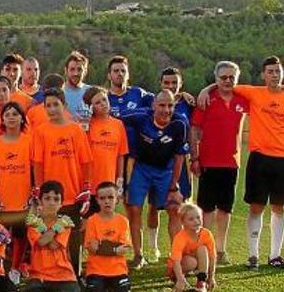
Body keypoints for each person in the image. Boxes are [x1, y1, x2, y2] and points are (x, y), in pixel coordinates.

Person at [198, 56, 284, 270]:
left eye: (278, 71)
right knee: (256, 206)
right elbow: (226, 84)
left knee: (279, 207)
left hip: (282, 159)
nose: (274, 75)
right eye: (270, 71)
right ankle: (253, 255)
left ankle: (274, 255)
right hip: (259, 158)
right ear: (264, 75)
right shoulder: (253, 93)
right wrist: (205, 90)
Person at [120, 90, 189, 268]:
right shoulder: (141, 117)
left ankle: (176, 256)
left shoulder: (179, 123)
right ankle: (138, 254)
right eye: (162, 105)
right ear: (153, 106)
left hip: (165, 170)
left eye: (170, 105)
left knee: (174, 208)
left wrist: (174, 185)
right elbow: (115, 117)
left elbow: (180, 156)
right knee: (134, 209)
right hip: (141, 168)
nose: (166, 110)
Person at [190, 61, 248, 265]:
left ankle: (221, 249)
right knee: (206, 208)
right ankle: (204, 247)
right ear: (215, 78)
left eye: (232, 77)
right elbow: (195, 130)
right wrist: (195, 158)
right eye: (223, 77)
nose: (228, 81)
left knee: (226, 208)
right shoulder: (206, 99)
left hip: (232, 162)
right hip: (208, 161)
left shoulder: (243, 98)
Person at [32, 88, 93, 274]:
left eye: (55, 104)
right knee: (51, 237)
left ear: (64, 106)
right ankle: (51, 273)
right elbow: (38, 163)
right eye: (48, 105)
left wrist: (86, 188)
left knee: (73, 238)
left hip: (72, 194)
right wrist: (39, 190)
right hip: (51, 197)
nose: (52, 109)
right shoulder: (40, 131)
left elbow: (86, 161)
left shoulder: (75, 130)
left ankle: (75, 273)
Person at [0, 101, 32, 282]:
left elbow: (33, 169)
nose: (11, 117)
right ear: (2, 120)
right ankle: (0, 268)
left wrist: (33, 195)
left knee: (21, 236)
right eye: (7, 115)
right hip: (3, 199)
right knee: (1, 236)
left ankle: (15, 270)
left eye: (15, 114)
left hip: (23, 198)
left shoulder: (29, 140)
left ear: (22, 118)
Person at [22, 180, 82, 292]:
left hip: (63, 273)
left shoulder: (66, 223)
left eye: (56, 199)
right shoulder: (34, 223)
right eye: (47, 198)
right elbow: (43, 242)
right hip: (39, 274)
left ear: (61, 204)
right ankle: (44, 290)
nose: (51, 203)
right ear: (40, 201)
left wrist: (48, 228)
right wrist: (56, 227)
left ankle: (58, 288)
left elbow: (54, 245)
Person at [83, 182, 132, 292]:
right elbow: (92, 248)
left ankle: (112, 284)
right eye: (102, 198)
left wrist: (102, 245)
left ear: (117, 199)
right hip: (96, 269)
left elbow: (123, 249)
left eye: (110, 197)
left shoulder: (123, 221)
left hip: (118, 269)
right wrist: (114, 249)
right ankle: (102, 284)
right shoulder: (92, 221)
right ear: (97, 200)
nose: (106, 201)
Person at [83, 86, 128, 195]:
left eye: (104, 99)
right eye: (97, 103)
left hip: (109, 182)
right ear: (90, 107)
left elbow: (121, 155)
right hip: (89, 182)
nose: (103, 104)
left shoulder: (118, 124)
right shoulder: (86, 125)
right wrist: (85, 127)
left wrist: (120, 178)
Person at [168, 203, 217, 292]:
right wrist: (180, 279)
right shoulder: (180, 237)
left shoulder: (207, 234)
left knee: (203, 249)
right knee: (192, 262)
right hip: (179, 265)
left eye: (198, 218)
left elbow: (212, 257)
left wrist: (211, 277)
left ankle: (201, 281)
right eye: (191, 219)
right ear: (183, 222)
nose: (196, 221)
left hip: (195, 260)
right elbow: (176, 261)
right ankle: (178, 277)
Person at [62, 51, 92, 127]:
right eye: (72, 69)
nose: (76, 73)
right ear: (66, 70)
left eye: (79, 69)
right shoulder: (59, 94)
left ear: (85, 71)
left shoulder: (92, 92)